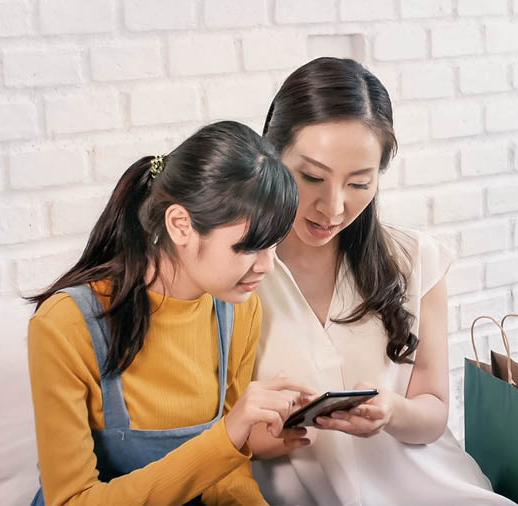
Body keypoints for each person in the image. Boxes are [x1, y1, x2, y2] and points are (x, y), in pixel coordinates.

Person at [247, 57, 518, 506]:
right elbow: (215, 432)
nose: (332, 207)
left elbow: (432, 415)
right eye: (312, 177)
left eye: (359, 182)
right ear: (271, 156)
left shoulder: (416, 260)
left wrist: (392, 412)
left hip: (426, 486)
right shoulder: (236, 271)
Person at [26, 121, 313, 506]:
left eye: (274, 246)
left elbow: (225, 477)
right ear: (181, 225)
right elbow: (71, 501)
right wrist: (225, 437)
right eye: (249, 247)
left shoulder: (237, 311)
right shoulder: (67, 324)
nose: (267, 267)